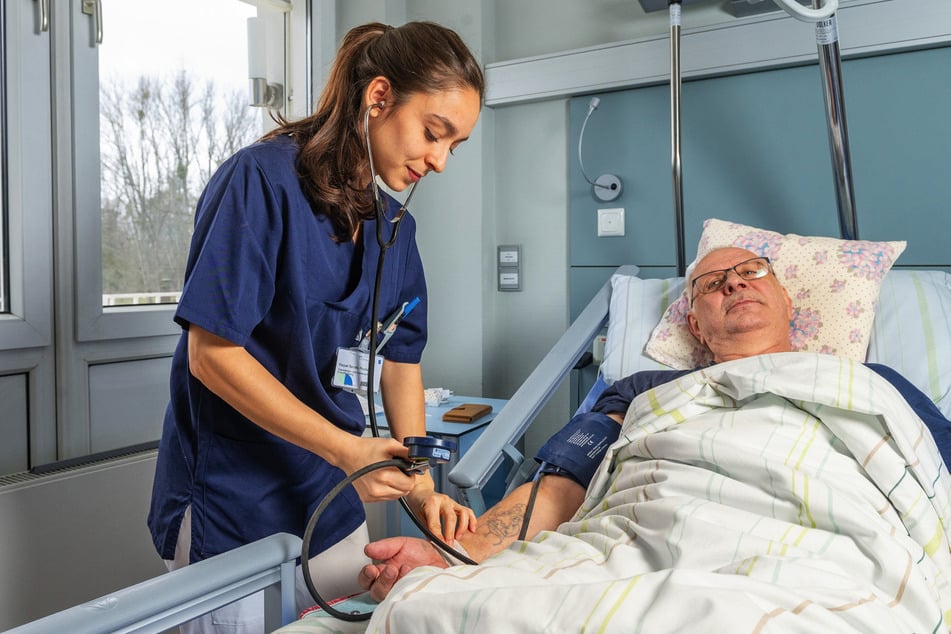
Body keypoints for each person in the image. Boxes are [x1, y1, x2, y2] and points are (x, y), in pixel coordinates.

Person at [359, 246, 951, 600]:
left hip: (832, 548)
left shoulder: (873, 384)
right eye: (711, 285)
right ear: (695, 325)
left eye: (751, 271)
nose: (734, 283)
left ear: (790, 303)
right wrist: (452, 555)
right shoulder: (644, 389)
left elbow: (936, 482)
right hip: (662, 534)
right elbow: (562, 481)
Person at [147, 21, 484, 633]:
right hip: (235, 495)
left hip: (328, 499)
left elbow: (401, 361)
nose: (439, 161)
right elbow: (211, 355)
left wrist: (420, 486)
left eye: (453, 147)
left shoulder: (392, 230)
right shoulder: (259, 182)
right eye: (434, 134)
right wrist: (347, 449)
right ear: (378, 97)